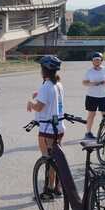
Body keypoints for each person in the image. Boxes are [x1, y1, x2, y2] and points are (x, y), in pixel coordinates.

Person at [27, 55, 65, 198]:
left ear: (44, 70)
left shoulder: (47, 86)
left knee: (47, 159)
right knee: (57, 159)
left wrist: (31, 101)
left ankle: (49, 190)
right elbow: (50, 98)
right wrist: (38, 94)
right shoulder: (58, 84)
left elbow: (39, 106)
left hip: (47, 129)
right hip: (59, 126)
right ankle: (58, 188)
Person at [82, 52, 105, 139]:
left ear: (101, 60)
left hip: (104, 95)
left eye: (98, 60)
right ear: (92, 61)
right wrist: (92, 83)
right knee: (91, 114)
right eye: (95, 60)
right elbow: (84, 82)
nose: (96, 61)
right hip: (91, 96)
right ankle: (88, 132)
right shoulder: (89, 71)